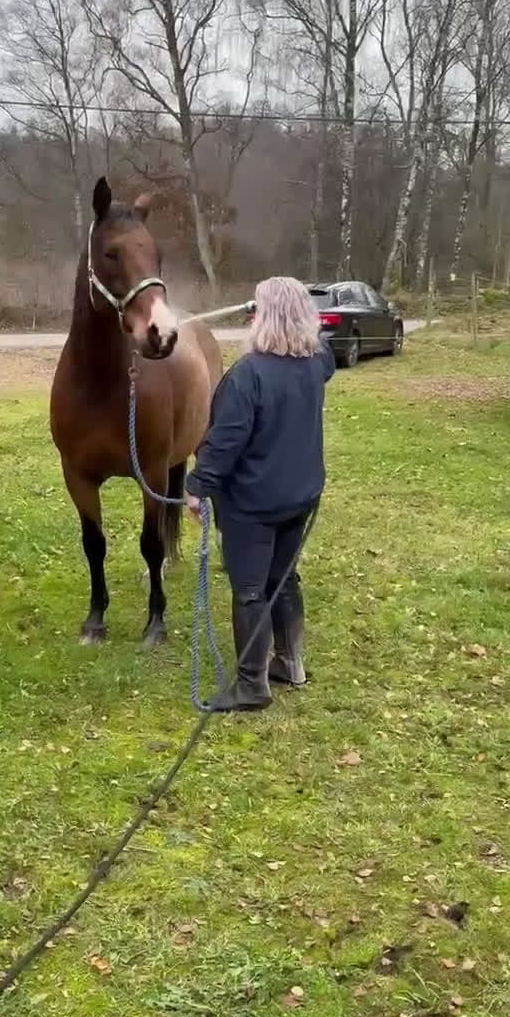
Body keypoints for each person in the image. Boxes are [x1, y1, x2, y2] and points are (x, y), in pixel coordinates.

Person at [184, 276, 335, 713]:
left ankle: (252, 684)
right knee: (283, 577)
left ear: (262, 317)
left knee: (250, 589)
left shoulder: (247, 376)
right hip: (300, 495)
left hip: (253, 504)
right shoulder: (316, 362)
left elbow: (225, 441)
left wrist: (197, 487)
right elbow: (322, 347)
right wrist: (289, 306)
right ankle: (289, 663)